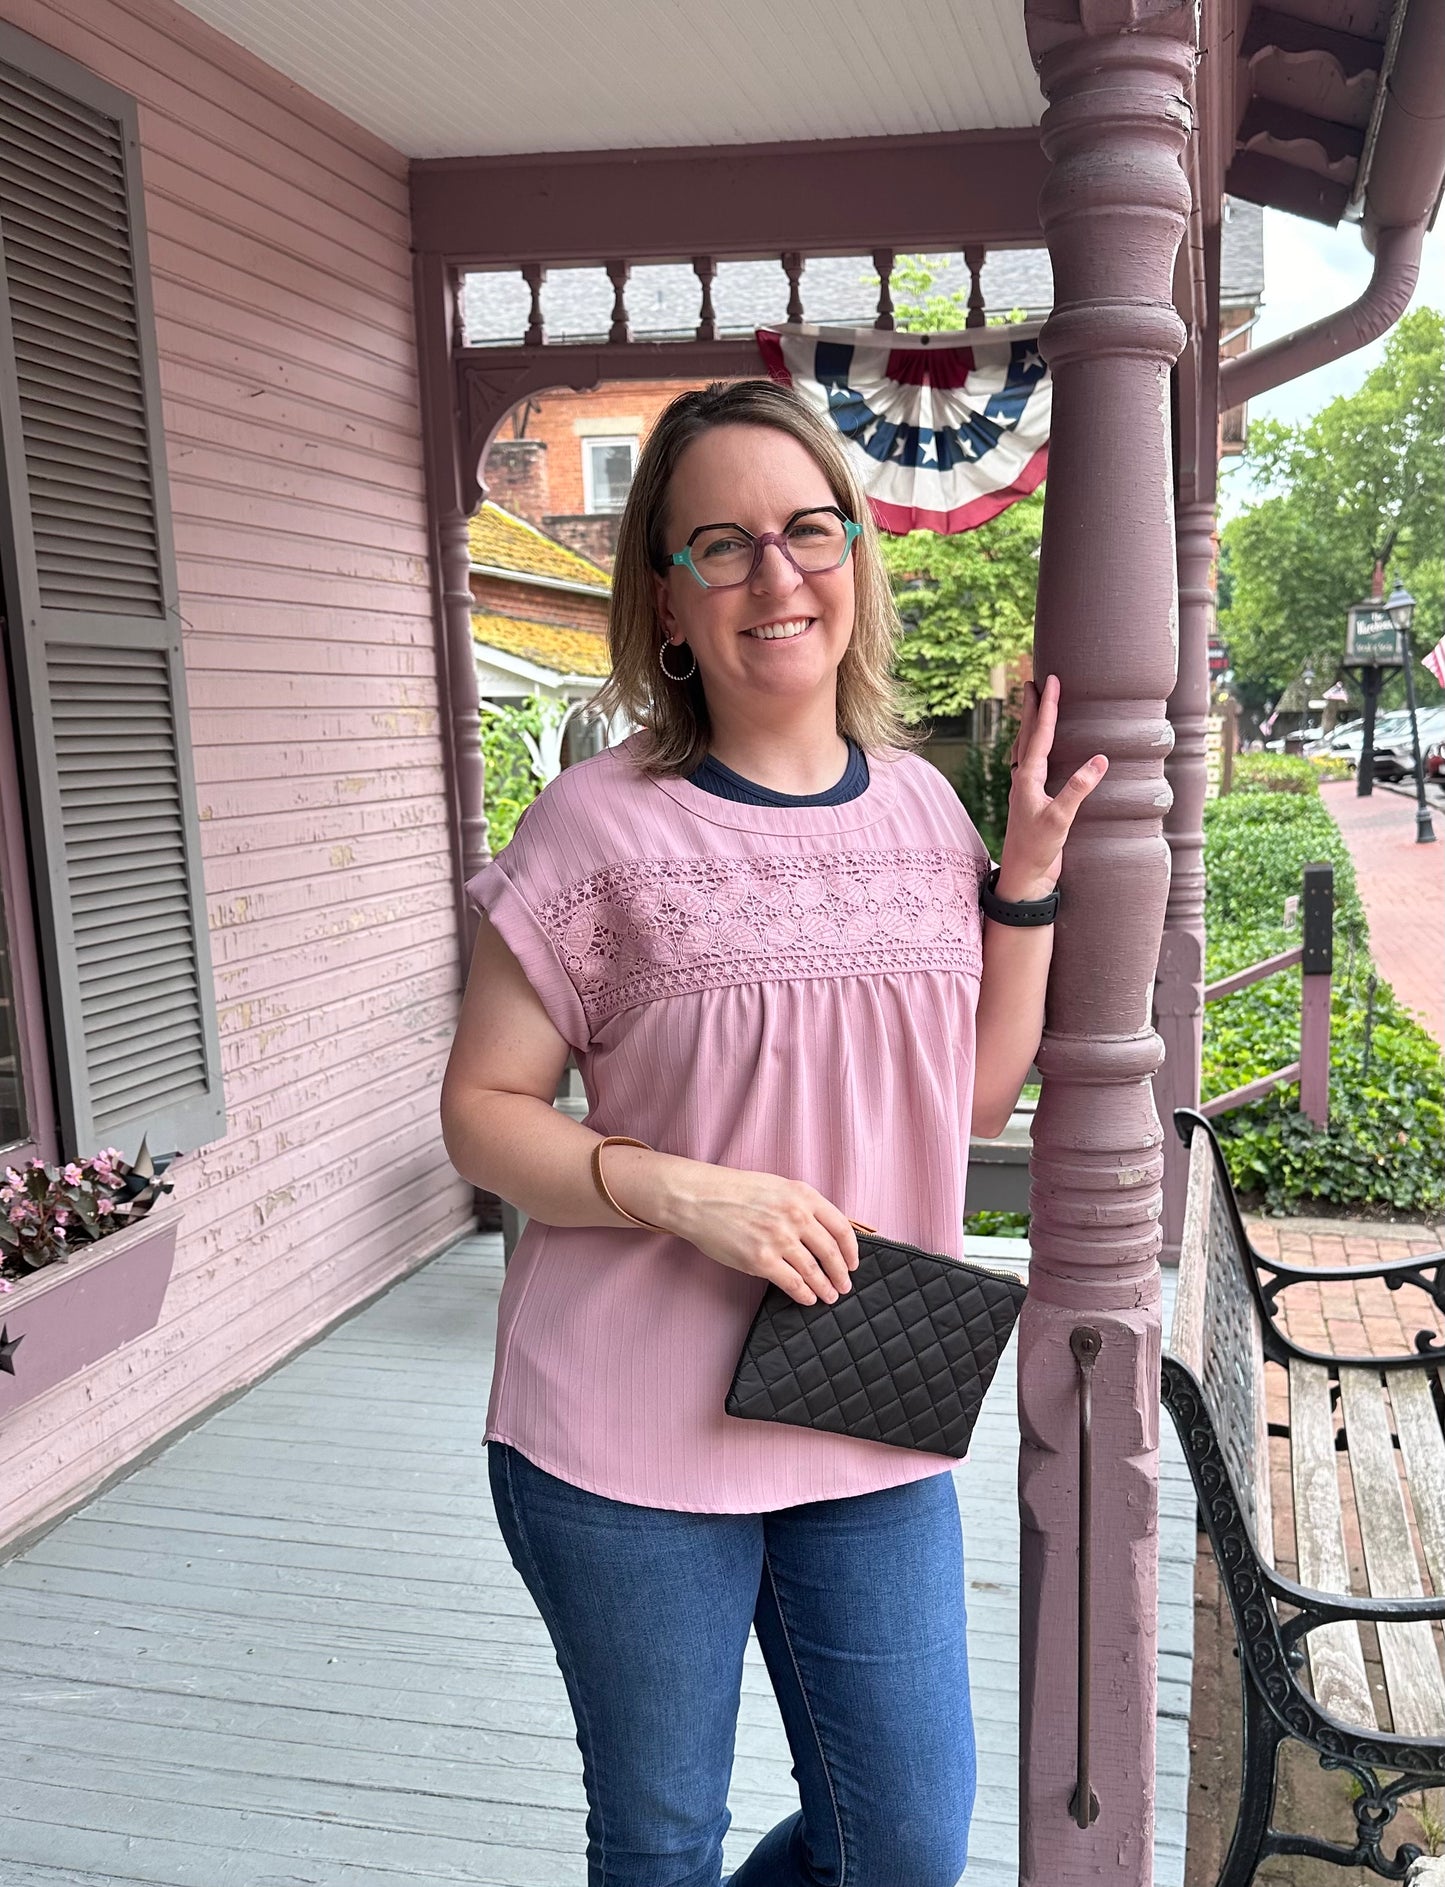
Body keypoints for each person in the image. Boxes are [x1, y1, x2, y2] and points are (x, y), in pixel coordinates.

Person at [440, 379, 1106, 1887]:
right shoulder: (592, 830)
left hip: (863, 1396)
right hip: (620, 1439)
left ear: (855, 560)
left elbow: (970, 1105)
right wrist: (679, 1194)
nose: (776, 573)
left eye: (808, 529)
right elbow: (480, 1121)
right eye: (721, 545)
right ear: (666, 604)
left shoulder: (929, 813)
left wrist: (1027, 887)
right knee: (664, 1840)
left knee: (908, 1843)